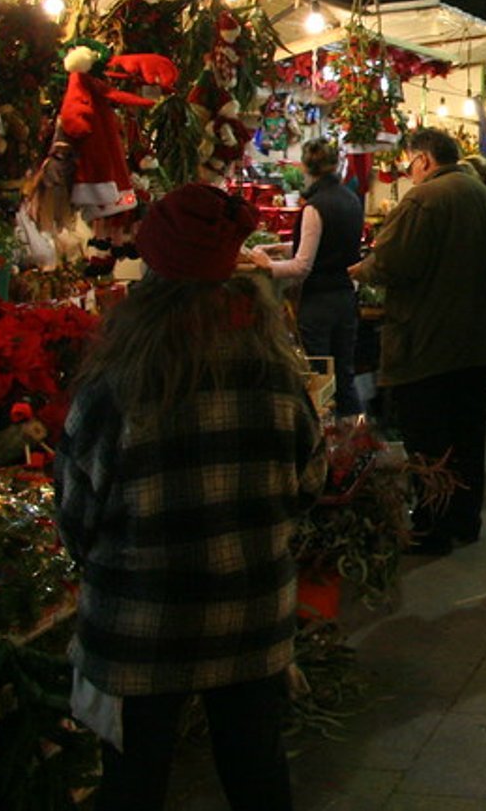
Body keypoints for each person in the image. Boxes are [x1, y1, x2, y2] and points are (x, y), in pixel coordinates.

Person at [57, 183, 327, 811]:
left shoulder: (116, 383)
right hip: (250, 614)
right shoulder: (274, 374)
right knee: (256, 767)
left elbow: (76, 515)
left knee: (133, 780)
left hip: (140, 622)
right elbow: (308, 484)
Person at [350, 127, 486, 554]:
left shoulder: (423, 200)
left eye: (409, 161)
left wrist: (361, 271)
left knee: (429, 440)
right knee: (468, 437)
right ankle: (466, 519)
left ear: (423, 159)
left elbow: (391, 262)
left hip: (428, 342)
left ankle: (433, 528)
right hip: (477, 340)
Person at [247, 138, 364, 413]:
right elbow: (326, 243)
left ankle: (323, 443)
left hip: (320, 302)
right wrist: (280, 247)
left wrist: (267, 264)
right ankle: (357, 443)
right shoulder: (349, 198)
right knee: (344, 376)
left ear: (304, 167)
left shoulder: (316, 206)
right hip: (346, 297)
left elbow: (302, 266)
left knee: (318, 375)